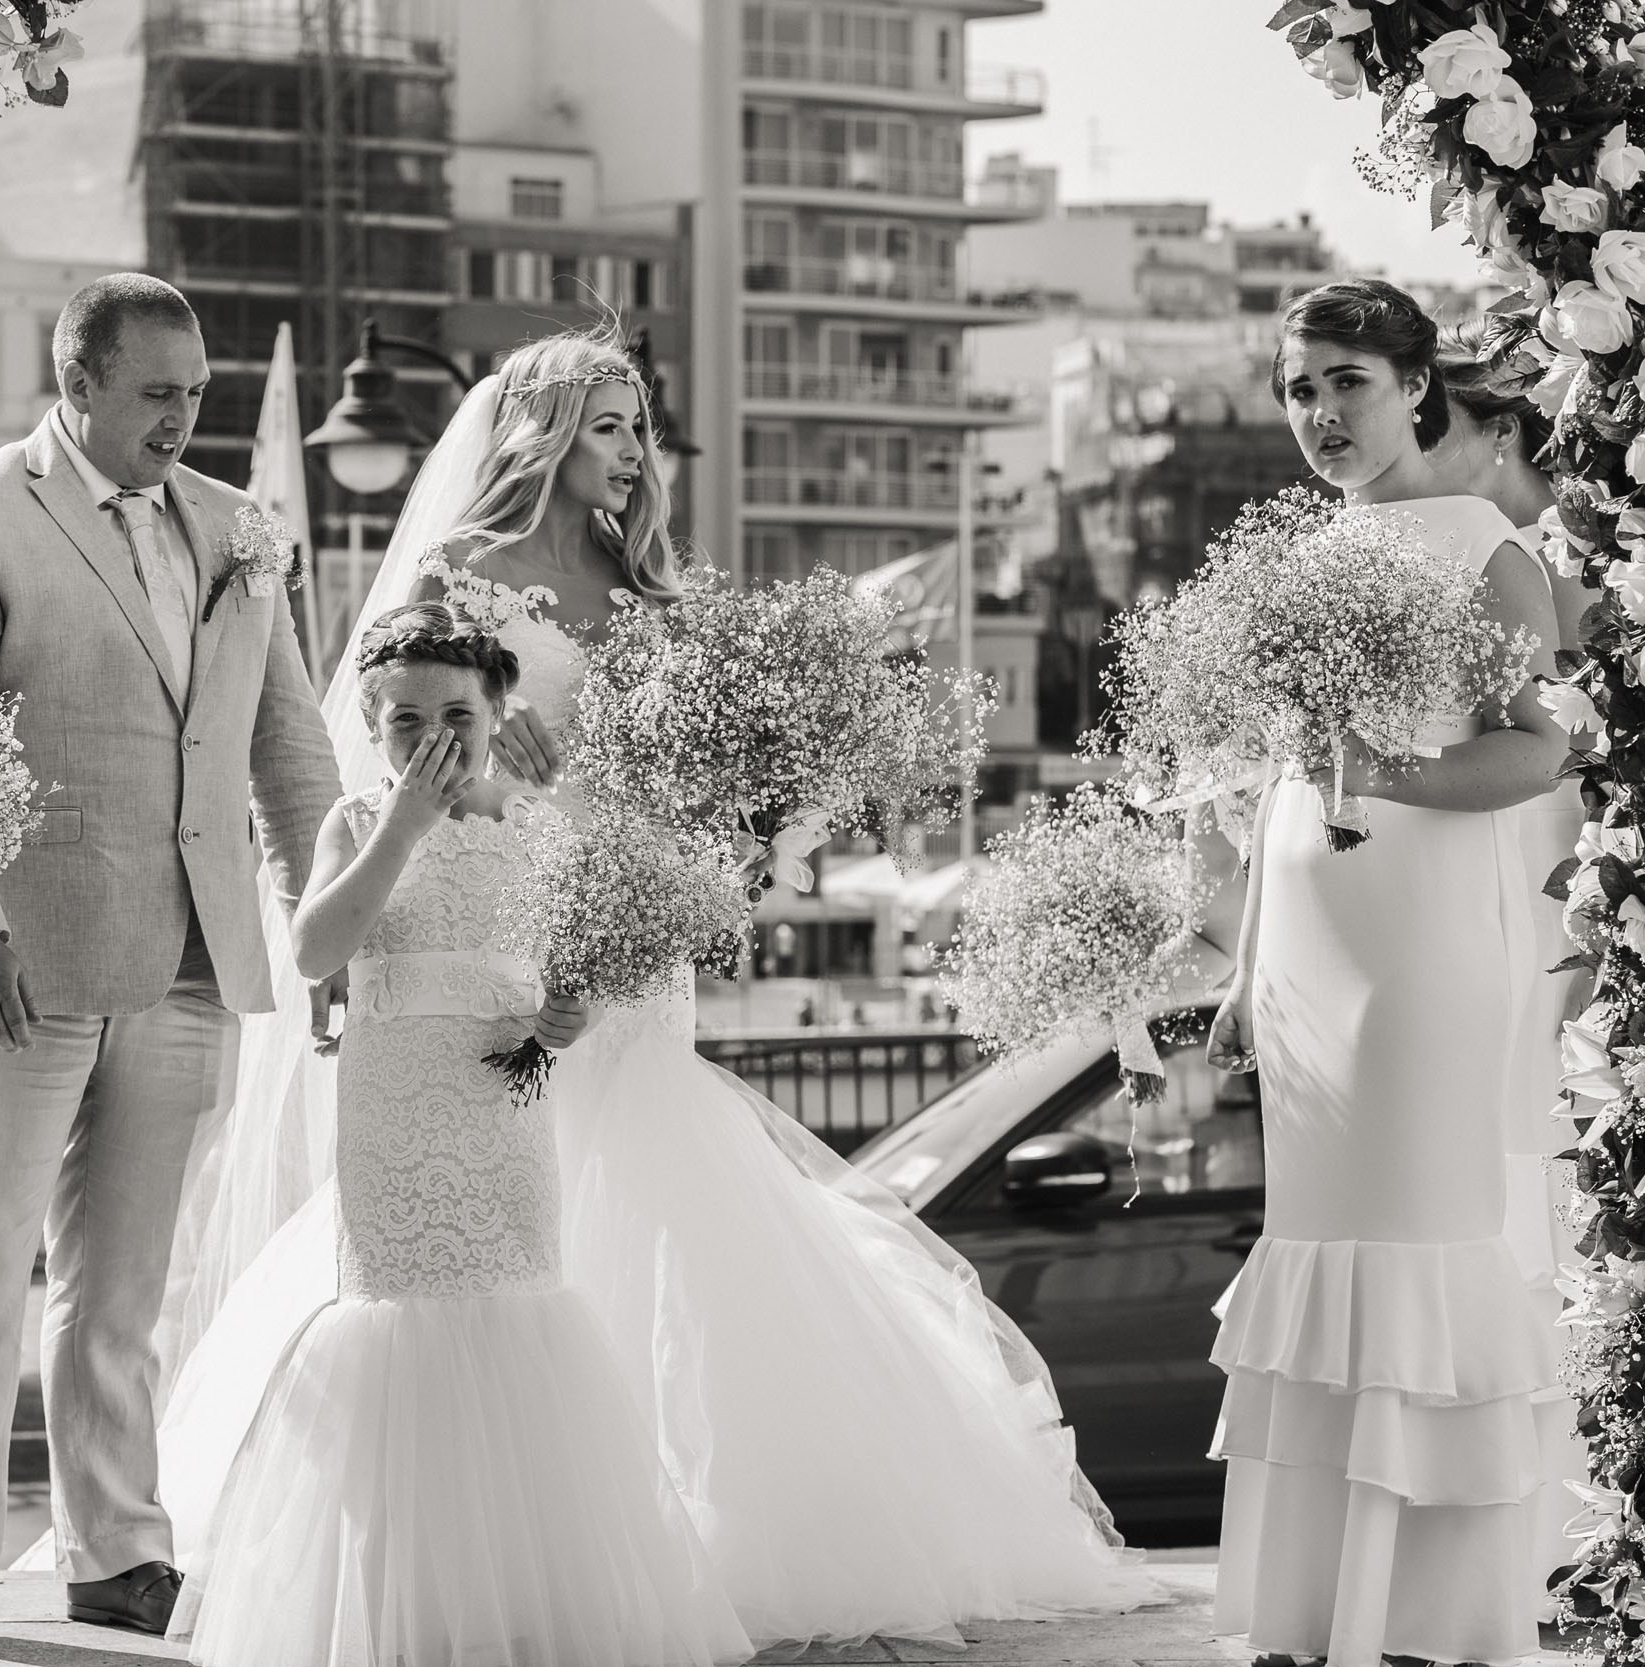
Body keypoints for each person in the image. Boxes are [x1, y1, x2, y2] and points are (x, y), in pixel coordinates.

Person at [160, 327, 1161, 1649]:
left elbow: (694, 769)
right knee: (526, 1213)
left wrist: (750, 818)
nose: (635, 453)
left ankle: (666, 1533)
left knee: (659, 1196)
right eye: (610, 425)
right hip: (501, 921)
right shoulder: (464, 576)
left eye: (640, 426)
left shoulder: (659, 591)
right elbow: (401, 751)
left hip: (633, 928)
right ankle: (542, 1523)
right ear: (543, 433)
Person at [0, 273, 341, 1664]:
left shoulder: (238, 529)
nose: (181, 417)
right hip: (6, 963)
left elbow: (293, 749)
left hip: (188, 960)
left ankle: (118, 1551)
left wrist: (329, 931)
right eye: (157, 394)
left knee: (123, 1288)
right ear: (76, 383)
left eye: (195, 393)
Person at [173, 604, 753, 1667]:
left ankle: (515, 1594)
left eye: (456, 714)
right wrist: (401, 821)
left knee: (513, 1309)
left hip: (501, 1107)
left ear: (496, 713)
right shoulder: (357, 819)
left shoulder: (538, 831)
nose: (431, 738)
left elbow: (552, 971)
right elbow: (315, 952)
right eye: (404, 720)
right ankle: (402, 1607)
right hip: (396, 1100)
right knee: (398, 1319)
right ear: (370, 722)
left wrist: (560, 1015)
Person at [1206, 279, 1566, 1666]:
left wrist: (1390, 771)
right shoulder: (1295, 554)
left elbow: (1537, 746)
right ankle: (1318, 1615)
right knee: (1319, 1252)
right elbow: (1276, 781)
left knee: (1415, 1244)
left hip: (1419, 948)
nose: (1321, 413)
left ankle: (1428, 1617)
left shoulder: (1484, 545)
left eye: (1347, 381)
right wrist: (1246, 966)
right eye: (1300, 389)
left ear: (1416, 385)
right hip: (1305, 946)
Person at [1431, 330, 1591, 1607]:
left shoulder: (1551, 572)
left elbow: (1566, 751)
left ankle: (1564, 1520)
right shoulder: (1485, 571)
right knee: (1507, 1203)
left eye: (1448, 435)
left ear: (1501, 440)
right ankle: (1526, 1524)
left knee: (1543, 1202)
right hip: (1493, 906)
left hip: (1560, 914)